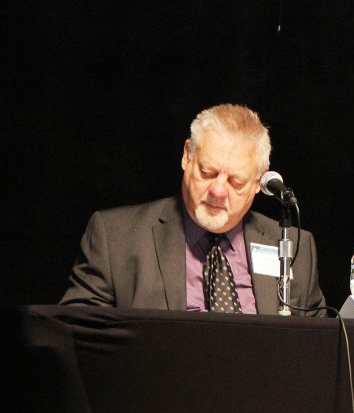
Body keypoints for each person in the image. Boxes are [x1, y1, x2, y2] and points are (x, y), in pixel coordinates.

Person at [61, 103, 327, 315]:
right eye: (207, 173)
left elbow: (317, 348)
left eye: (235, 182)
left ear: (259, 181)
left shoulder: (295, 248)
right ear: (187, 155)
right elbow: (79, 336)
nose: (218, 191)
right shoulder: (116, 238)